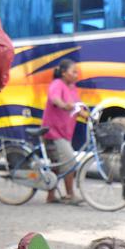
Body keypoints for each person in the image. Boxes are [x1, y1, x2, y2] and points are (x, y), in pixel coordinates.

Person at [41, 59, 88, 204]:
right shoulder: (57, 84)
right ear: (63, 73)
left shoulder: (72, 87)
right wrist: (63, 105)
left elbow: (77, 106)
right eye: (73, 72)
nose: (76, 75)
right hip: (53, 132)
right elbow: (55, 99)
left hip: (65, 132)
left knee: (56, 163)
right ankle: (70, 194)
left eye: (77, 72)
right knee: (70, 161)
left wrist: (86, 115)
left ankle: (50, 195)